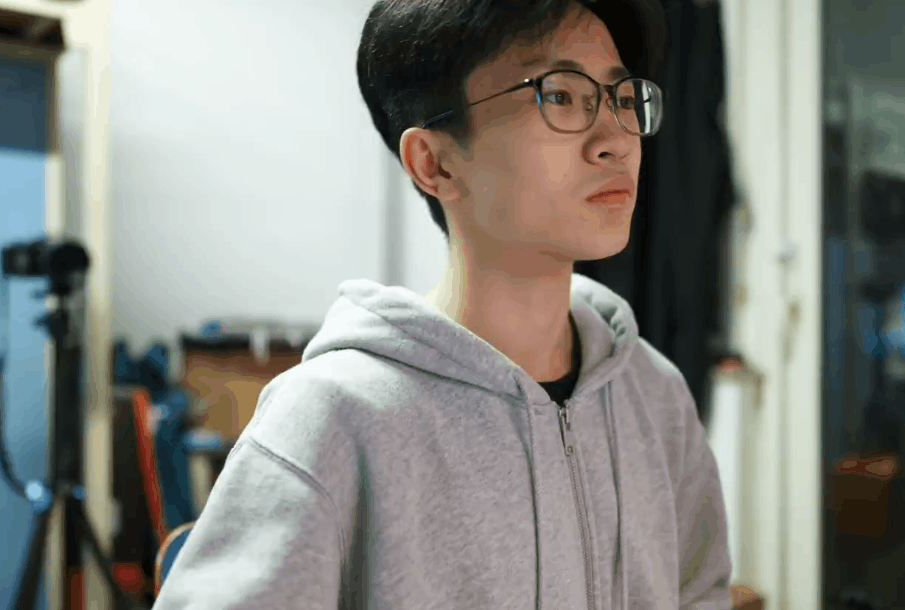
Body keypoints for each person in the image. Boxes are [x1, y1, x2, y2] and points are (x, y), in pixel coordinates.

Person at [151, 0, 732, 608]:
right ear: (434, 164)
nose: (616, 139)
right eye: (560, 95)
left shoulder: (653, 396)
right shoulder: (332, 420)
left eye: (619, 97)